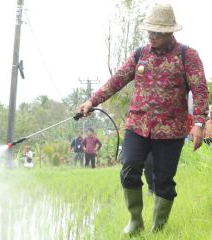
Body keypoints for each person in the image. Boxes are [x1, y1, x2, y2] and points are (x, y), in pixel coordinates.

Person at [79, 3, 209, 234]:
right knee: (129, 168)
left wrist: (199, 123)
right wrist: (92, 101)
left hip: (171, 130)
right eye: (150, 31)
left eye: (157, 32)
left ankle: (159, 229)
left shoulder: (187, 55)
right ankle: (135, 221)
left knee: (164, 180)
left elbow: (200, 91)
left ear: (170, 32)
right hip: (137, 126)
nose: (152, 36)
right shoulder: (140, 54)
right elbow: (116, 80)